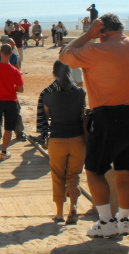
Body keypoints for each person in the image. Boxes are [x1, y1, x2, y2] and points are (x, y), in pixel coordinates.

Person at [60, 13, 129, 238]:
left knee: (95, 170)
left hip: (108, 115)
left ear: (102, 31)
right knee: (126, 170)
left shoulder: (95, 50)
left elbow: (64, 55)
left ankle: (105, 221)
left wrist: (87, 35)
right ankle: (124, 220)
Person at [42, 61, 86, 224]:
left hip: (58, 138)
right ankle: (73, 207)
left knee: (58, 176)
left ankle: (59, 213)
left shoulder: (48, 94)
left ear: (54, 73)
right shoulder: (80, 92)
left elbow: (45, 118)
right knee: (74, 175)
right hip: (77, 139)